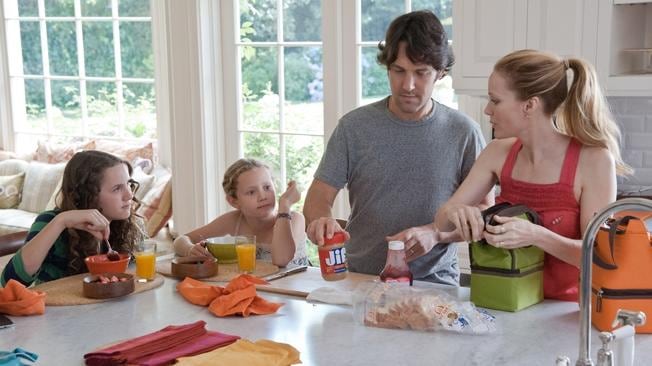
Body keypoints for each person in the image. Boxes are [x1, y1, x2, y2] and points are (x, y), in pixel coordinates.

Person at [303, 10, 490, 285]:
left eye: (421, 73)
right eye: (399, 71)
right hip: (360, 279)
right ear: (387, 67)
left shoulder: (464, 133)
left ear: (440, 73)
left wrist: (436, 233)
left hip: (434, 283)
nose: (408, 85)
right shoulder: (354, 127)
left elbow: (483, 215)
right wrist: (320, 220)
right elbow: (319, 195)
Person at [435, 49, 632, 301]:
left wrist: (535, 235)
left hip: (567, 314)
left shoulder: (593, 160)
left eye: (495, 100)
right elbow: (442, 221)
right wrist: (455, 212)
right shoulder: (497, 153)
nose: (487, 110)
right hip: (503, 305)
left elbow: (600, 256)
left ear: (530, 105)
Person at [1, 150, 145, 286]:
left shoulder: (126, 225)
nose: (130, 195)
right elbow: (9, 282)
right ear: (88, 195)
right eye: (117, 189)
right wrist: (61, 222)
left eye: (128, 184)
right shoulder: (50, 221)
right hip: (59, 310)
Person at [173, 158, 307, 267]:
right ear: (234, 201)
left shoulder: (294, 219)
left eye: (267, 187)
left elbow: (281, 260)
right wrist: (190, 249)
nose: (262, 196)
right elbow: (181, 240)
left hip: (294, 295)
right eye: (251, 192)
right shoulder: (234, 221)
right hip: (258, 291)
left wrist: (285, 204)